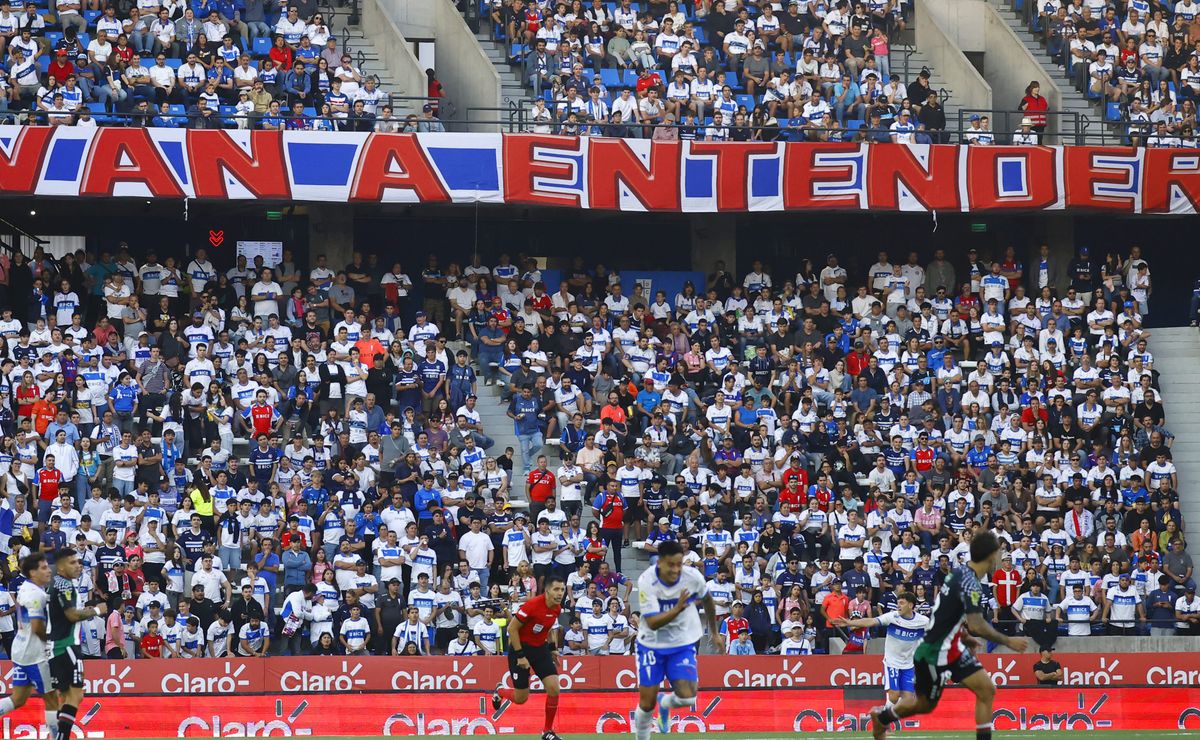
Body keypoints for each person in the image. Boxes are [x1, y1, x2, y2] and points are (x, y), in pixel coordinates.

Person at [870, 532, 1028, 740]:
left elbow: (945, 611)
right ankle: (883, 718)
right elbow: (978, 625)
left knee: (986, 690)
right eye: (999, 553)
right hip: (934, 651)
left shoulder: (959, 573)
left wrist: (961, 634)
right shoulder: (970, 582)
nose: (1001, 558)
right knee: (924, 705)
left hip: (952, 647)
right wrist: (1008, 640)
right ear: (991, 555)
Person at [632, 540, 718, 740]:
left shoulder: (692, 576)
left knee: (688, 696)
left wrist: (713, 632)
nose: (676, 569)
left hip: (681, 643)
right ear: (660, 562)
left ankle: (665, 703)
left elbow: (708, 601)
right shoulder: (647, 580)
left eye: (680, 564)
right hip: (651, 644)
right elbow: (652, 622)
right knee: (646, 703)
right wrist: (678, 608)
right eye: (671, 564)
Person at [490, 576, 568, 740]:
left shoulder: (557, 608)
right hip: (520, 650)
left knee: (554, 688)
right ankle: (500, 691)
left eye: (562, 589)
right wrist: (520, 656)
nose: (560, 593)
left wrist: (552, 649)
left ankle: (547, 731)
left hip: (540, 650)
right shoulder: (532, 605)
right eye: (556, 589)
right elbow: (512, 629)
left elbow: (548, 628)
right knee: (521, 698)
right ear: (547, 591)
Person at [834, 590, 929, 710]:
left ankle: (885, 713)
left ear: (910, 605)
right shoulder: (892, 617)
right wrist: (849, 622)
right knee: (894, 696)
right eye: (897, 603)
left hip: (909, 664)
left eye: (902, 603)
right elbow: (871, 621)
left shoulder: (923, 621)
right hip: (892, 662)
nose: (898, 605)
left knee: (909, 699)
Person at [48, 548, 107, 740]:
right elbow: (72, 615)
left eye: (78, 562)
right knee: (75, 696)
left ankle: (59, 735)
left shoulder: (55, 583)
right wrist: (97, 611)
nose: (78, 566)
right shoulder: (65, 585)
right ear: (61, 566)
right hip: (66, 645)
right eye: (72, 563)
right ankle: (62, 737)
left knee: (66, 696)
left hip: (55, 645)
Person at [0, 555, 59, 729]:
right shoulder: (36, 594)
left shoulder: (25, 587)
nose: (48, 570)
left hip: (20, 650)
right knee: (51, 698)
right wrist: (51, 643)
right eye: (43, 568)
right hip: (35, 655)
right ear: (33, 572)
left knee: (18, 699)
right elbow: (36, 626)